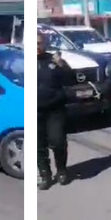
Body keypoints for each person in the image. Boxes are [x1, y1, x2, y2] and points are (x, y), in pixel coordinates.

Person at [37, 32, 73, 190]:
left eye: (39, 43)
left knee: (58, 141)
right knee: (38, 146)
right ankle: (45, 175)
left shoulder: (53, 60)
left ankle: (62, 170)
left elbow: (71, 78)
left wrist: (62, 65)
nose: (37, 46)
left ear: (44, 44)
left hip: (54, 109)